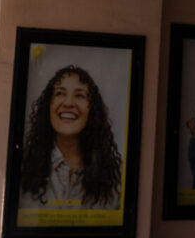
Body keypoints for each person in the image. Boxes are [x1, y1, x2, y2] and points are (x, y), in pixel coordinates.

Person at [20, 65, 122, 209]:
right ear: (48, 105)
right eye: (60, 93)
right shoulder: (21, 166)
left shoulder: (117, 177)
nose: (68, 103)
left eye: (79, 95)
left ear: (92, 109)